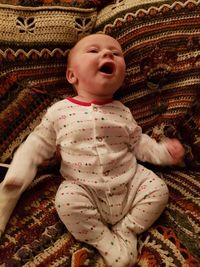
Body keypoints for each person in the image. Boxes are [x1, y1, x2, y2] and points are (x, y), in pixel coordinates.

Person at [0, 34, 185, 267]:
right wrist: (16, 175)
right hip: (83, 188)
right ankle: (103, 240)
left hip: (129, 183)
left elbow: (139, 143)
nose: (107, 54)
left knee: (158, 190)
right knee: (66, 202)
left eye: (116, 53)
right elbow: (37, 144)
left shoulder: (122, 111)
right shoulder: (59, 111)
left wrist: (164, 153)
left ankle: (127, 230)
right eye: (93, 51)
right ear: (72, 75)